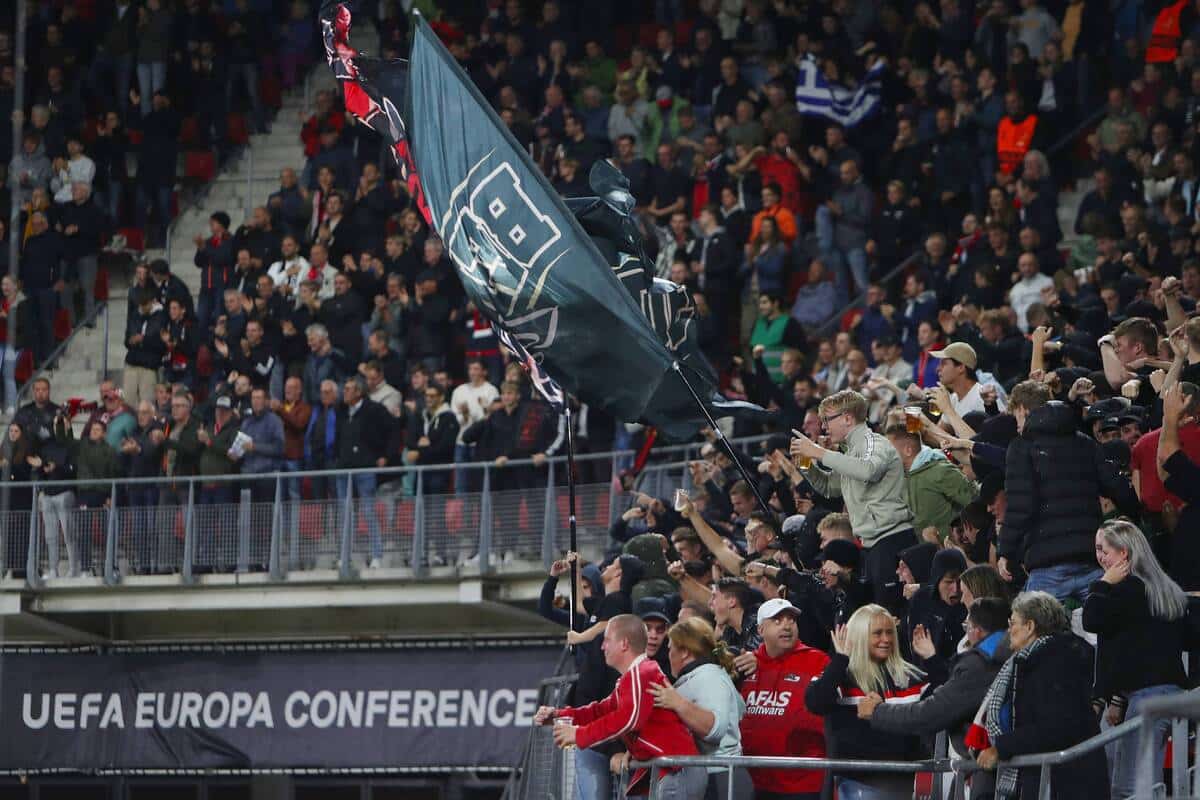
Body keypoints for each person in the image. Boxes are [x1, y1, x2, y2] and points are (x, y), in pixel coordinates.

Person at [535, 614, 706, 799]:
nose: (602, 646)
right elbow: (600, 711)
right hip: (672, 772)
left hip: (677, 772)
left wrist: (578, 734)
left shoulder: (643, 672)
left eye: (607, 640)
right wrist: (559, 715)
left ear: (624, 644)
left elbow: (628, 718)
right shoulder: (633, 676)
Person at [859, 597, 1010, 799]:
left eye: (966, 626)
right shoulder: (1013, 654)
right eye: (877, 633)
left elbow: (929, 714)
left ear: (976, 630)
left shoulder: (982, 664)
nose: (885, 640)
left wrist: (877, 712)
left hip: (990, 774)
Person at [1000, 382, 1138, 602]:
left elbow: (1020, 506)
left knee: (1035, 631)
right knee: (1104, 629)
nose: (1016, 425)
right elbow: (1117, 486)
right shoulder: (1085, 443)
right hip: (1090, 558)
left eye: (1016, 417)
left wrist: (1005, 551)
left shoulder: (1022, 447)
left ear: (1024, 410)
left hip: (1047, 564)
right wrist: (1137, 515)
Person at [1083, 520, 1188, 797]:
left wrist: (1102, 583)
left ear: (1124, 554)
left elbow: (1092, 619)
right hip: (1172, 694)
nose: (1099, 557)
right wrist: (1116, 700)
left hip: (1147, 701)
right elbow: (1132, 648)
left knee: (1131, 789)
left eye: (1103, 550)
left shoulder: (1126, 589)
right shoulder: (1162, 588)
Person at [971, 592, 1108, 800]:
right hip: (1052, 781)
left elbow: (1055, 727)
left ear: (1030, 627)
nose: (1009, 629)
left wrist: (1001, 747)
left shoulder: (1055, 662)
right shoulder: (1032, 660)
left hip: (1069, 784)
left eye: (1013, 622)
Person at [790, 390, 915, 612]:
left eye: (827, 420)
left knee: (891, 614)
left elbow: (869, 471)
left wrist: (819, 452)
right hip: (871, 547)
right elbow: (829, 487)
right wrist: (805, 463)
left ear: (848, 418)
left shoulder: (873, 443)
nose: (824, 427)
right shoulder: (851, 453)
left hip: (891, 542)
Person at [805, 604, 927, 799]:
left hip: (904, 782)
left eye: (889, 633)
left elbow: (946, 705)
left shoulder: (910, 677)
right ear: (860, 636)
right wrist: (840, 660)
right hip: (856, 783)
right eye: (877, 634)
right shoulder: (842, 675)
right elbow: (815, 702)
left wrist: (932, 659)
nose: (886, 639)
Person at [649, 616, 753, 800]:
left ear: (684, 652)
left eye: (671, 648)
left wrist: (678, 703)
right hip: (710, 776)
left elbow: (714, 730)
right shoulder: (697, 677)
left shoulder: (709, 677)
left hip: (720, 779)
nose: (668, 653)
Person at [735, 598, 830, 800]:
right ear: (760, 630)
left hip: (804, 783)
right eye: (777, 621)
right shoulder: (747, 665)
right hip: (755, 780)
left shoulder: (818, 660)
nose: (787, 626)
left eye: (792, 620)